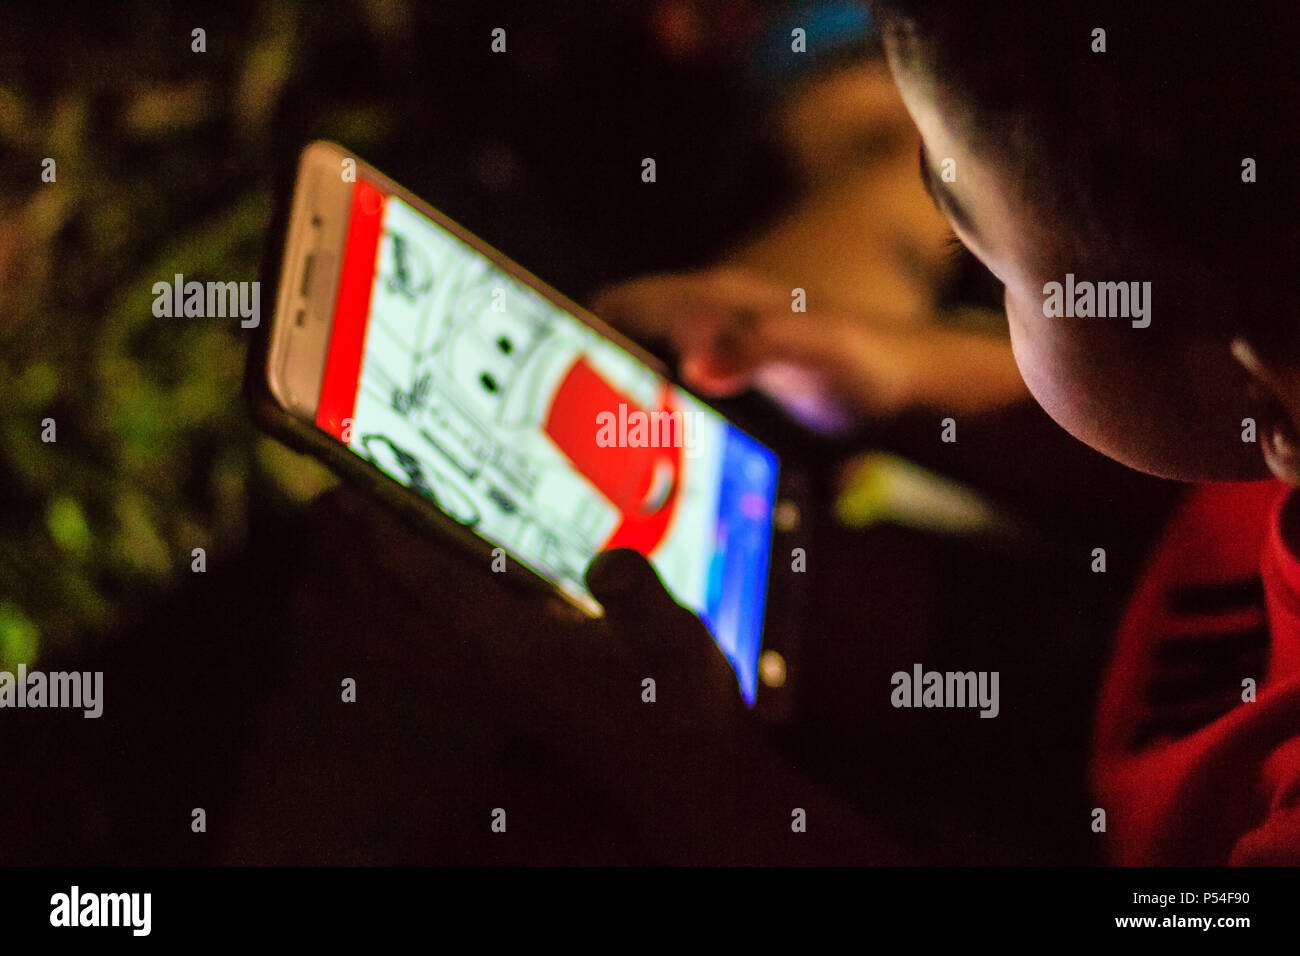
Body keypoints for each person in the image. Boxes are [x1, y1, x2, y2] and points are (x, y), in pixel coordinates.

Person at [581, 0, 1299, 864]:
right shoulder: (1270, 380)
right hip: (1138, 650)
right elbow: (1210, 449)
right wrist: (895, 377)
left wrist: (685, 770)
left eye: (997, 273)